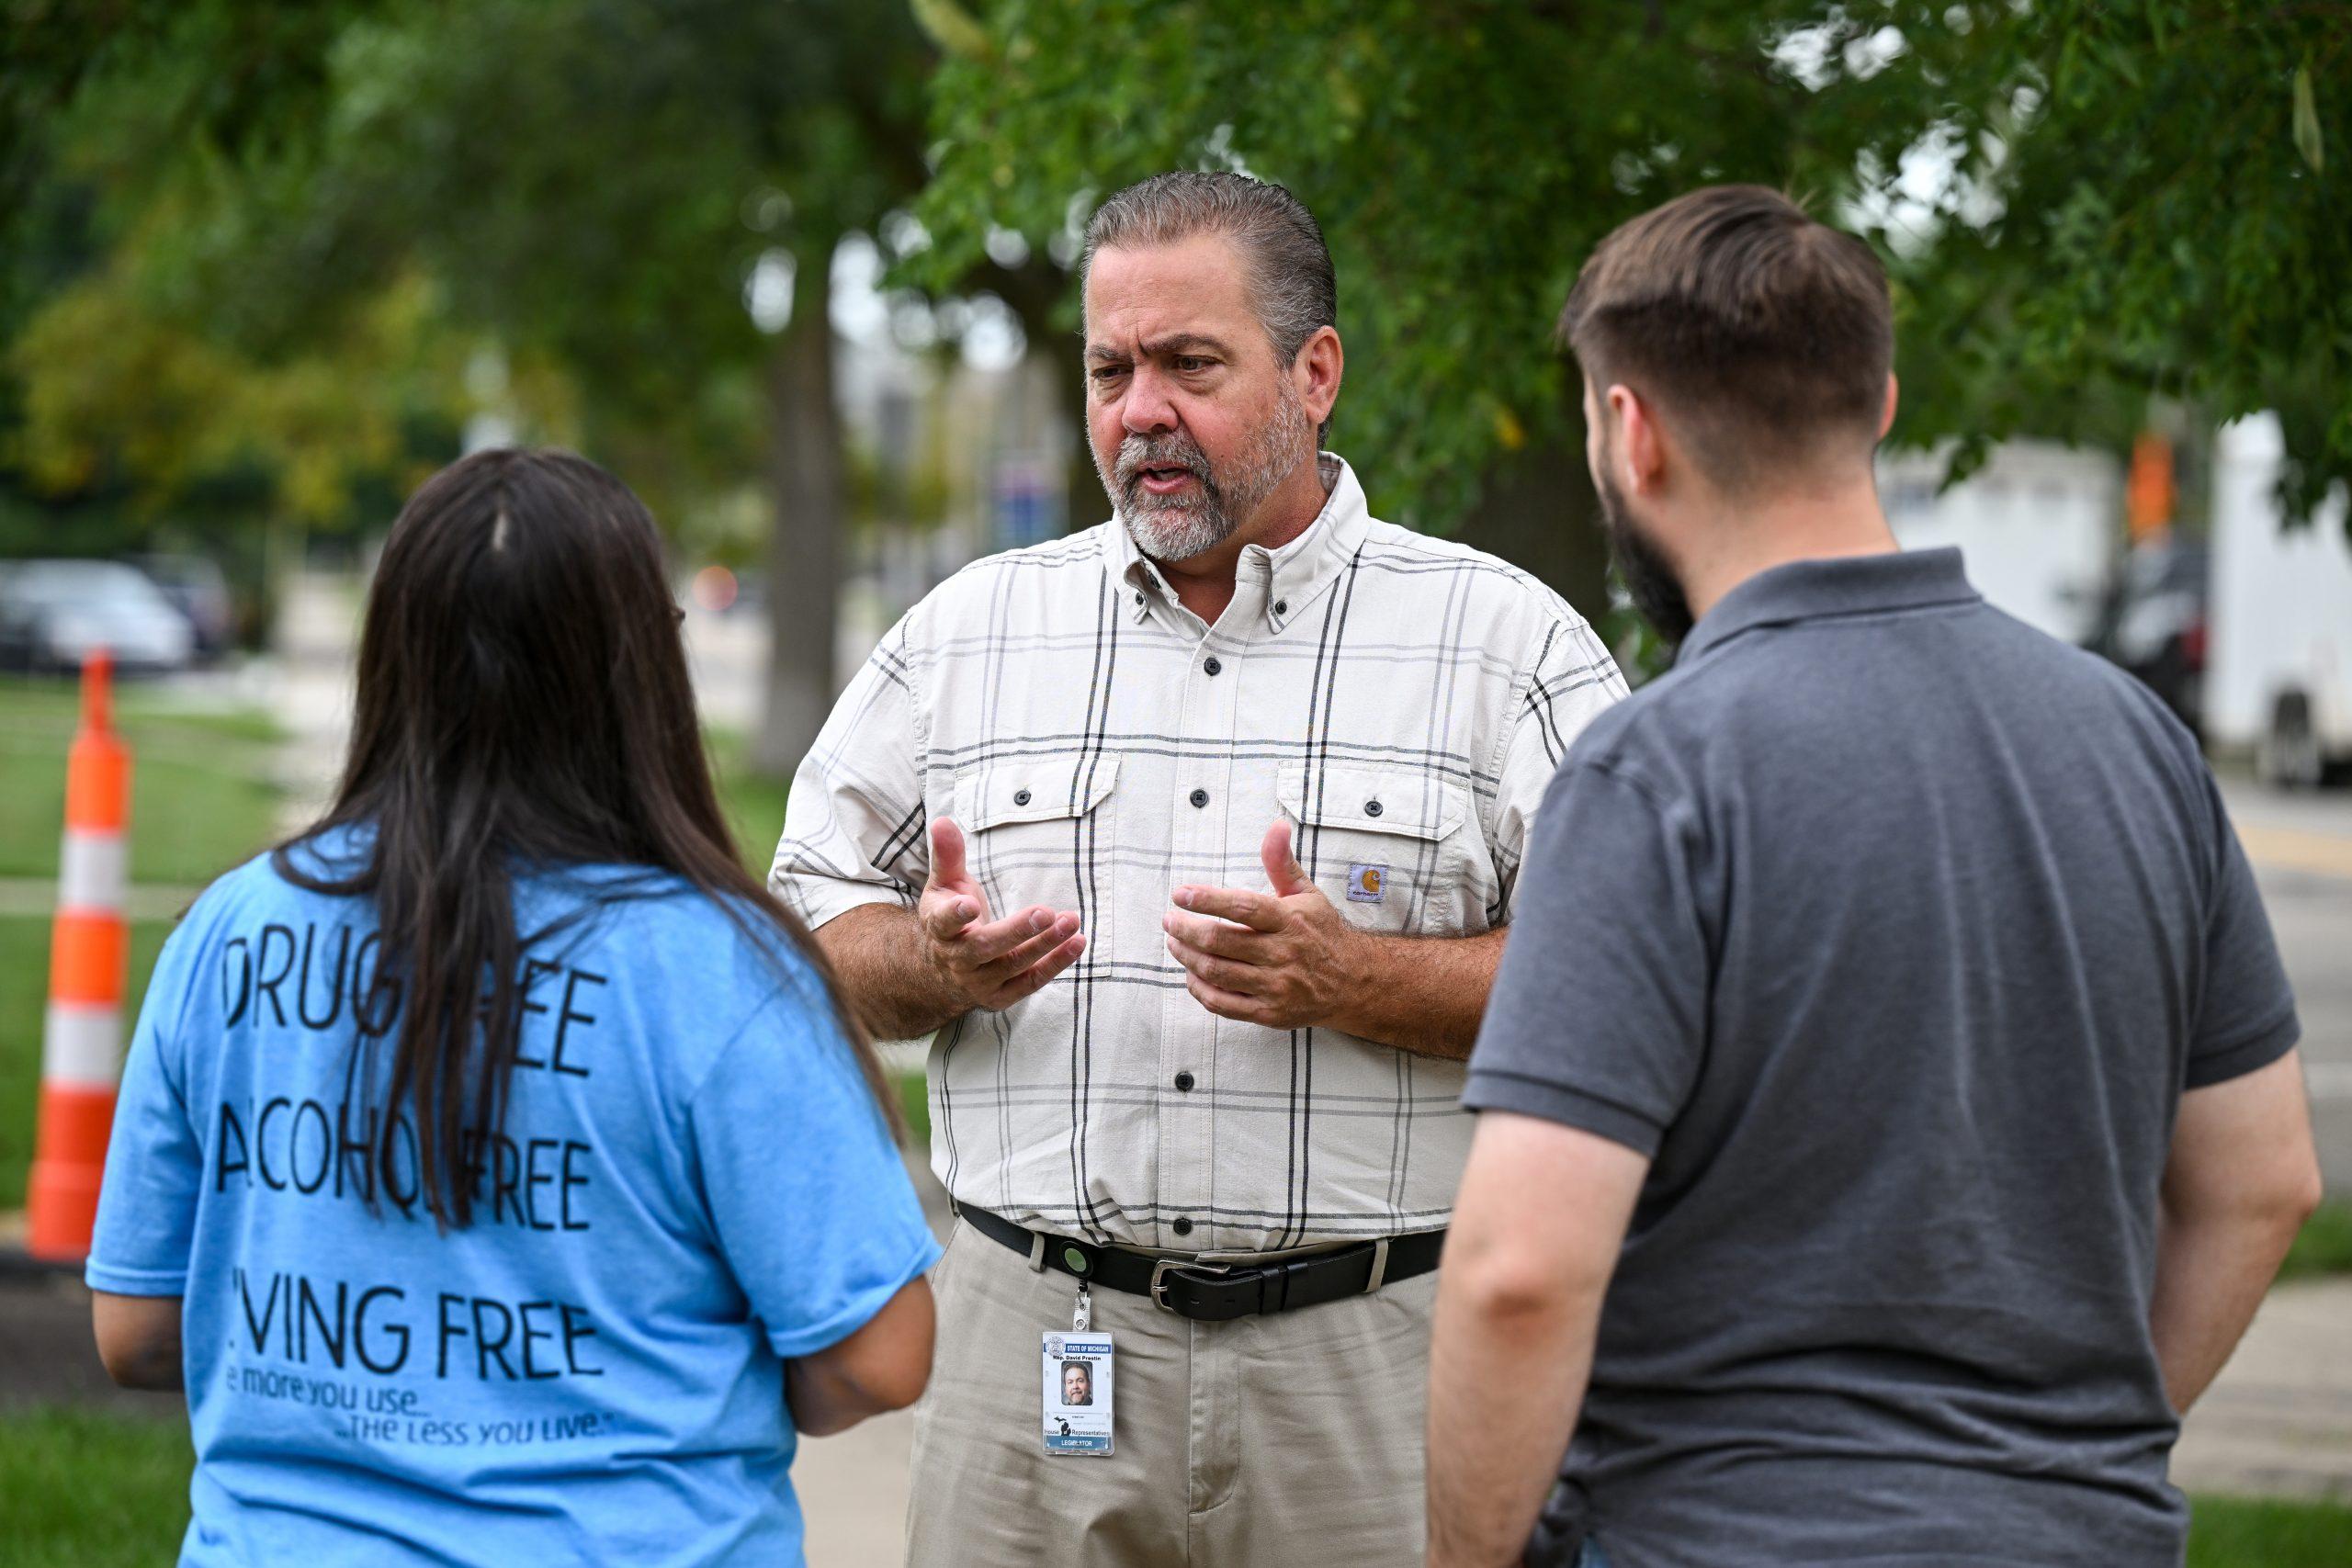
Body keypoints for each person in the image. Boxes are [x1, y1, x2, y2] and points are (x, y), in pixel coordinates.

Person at [1427, 185, 2324, 1568]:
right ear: (1882, 401)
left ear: (1630, 430)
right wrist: (2062, 1457)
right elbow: (2264, 1181)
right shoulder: (2137, 741)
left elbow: (1521, 1270)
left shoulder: (1654, 775)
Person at [771, 170, 1625, 1566]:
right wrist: (929, 961)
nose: (1139, 409)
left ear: (1316, 372)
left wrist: (1365, 978)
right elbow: (804, 924)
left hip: (1375, 1370)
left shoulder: (1504, 642)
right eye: (1112, 368)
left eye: (1189, 364)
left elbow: (1629, 980)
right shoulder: (969, 633)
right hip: (1032, 1355)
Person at [87, 449, 940, 1566]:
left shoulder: (230, 934)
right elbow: (876, 1358)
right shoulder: (717, 970)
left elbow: (135, 1330)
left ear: (390, 656)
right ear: (639, 670)